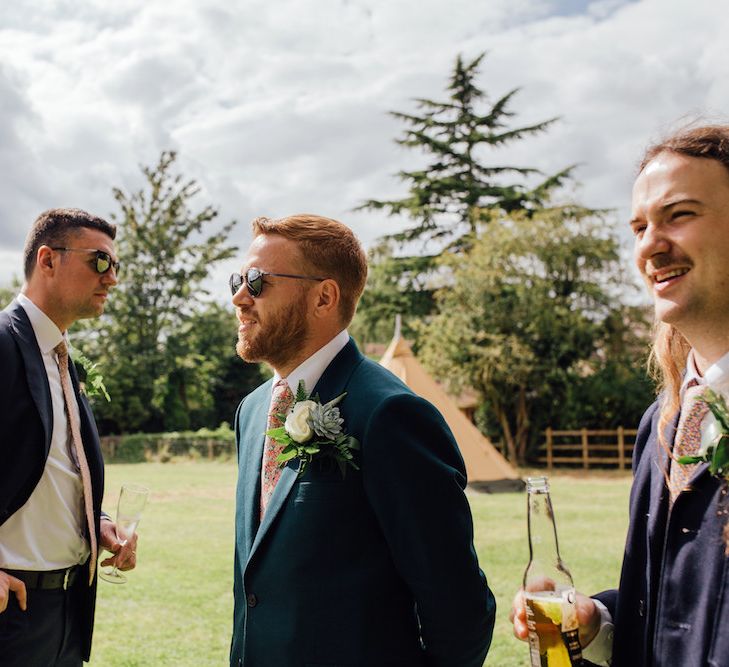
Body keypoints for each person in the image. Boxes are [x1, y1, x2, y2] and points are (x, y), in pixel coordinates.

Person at [229, 214, 495, 667]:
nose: (239, 297)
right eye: (238, 279)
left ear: (324, 297)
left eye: (257, 281)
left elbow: (459, 607)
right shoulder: (252, 411)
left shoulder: (392, 414)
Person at [511, 124, 729, 666]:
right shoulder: (662, 423)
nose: (651, 246)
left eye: (679, 214)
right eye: (639, 226)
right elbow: (674, 604)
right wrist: (597, 624)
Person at [0, 208, 138, 666]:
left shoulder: (62, 357)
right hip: (9, 609)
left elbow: (47, 467)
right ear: (48, 259)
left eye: (115, 265)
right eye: (100, 261)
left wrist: (94, 522)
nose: (112, 278)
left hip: (68, 609)